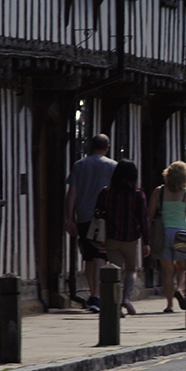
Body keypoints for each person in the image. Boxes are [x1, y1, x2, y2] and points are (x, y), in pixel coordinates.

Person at [65, 134, 117, 313]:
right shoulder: (113, 166)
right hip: (103, 217)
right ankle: (96, 296)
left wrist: (70, 218)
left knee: (88, 257)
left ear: (91, 146)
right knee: (99, 256)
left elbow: (71, 193)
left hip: (84, 216)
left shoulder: (79, 165)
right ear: (107, 147)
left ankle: (92, 292)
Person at [95, 159, 150, 317]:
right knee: (131, 269)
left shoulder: (105, 192)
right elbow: (144, 219)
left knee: (114, 274)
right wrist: (147, 241)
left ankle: (115, 305)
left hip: (111, 237)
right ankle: (126, 298)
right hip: (130, 237)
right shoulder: (138, 195)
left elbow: (98, 213)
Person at [148, 161, 186, 313]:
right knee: (182, 267)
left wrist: (148, 234)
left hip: (163, 233)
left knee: (167, 271)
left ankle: (169, 304)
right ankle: (180, 288)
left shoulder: (159, 191)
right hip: (181, 233)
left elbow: (149, 214)